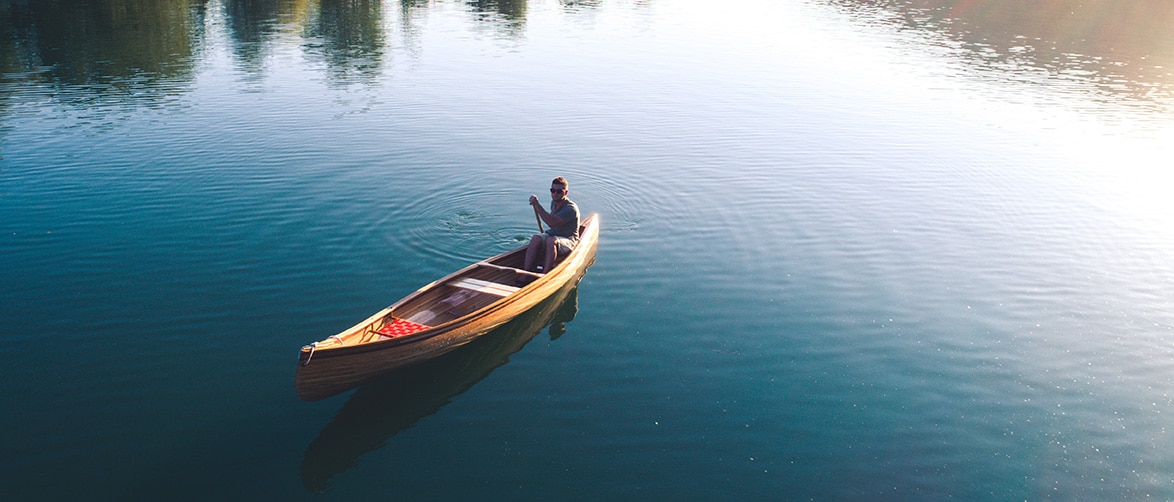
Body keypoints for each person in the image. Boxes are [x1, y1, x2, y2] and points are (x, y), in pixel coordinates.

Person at [523, 176, 580, 279]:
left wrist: (537, 205)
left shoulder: (570, 209)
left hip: (568, 239)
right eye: (552, 190)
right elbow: (551, 221)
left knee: (551, 241)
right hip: (553, 234)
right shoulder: (554, 202)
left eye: (559, 191)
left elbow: (551, 222)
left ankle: (544, 276)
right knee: (536, 238)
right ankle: (525, 273)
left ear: (566, 193)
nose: (555, 194)